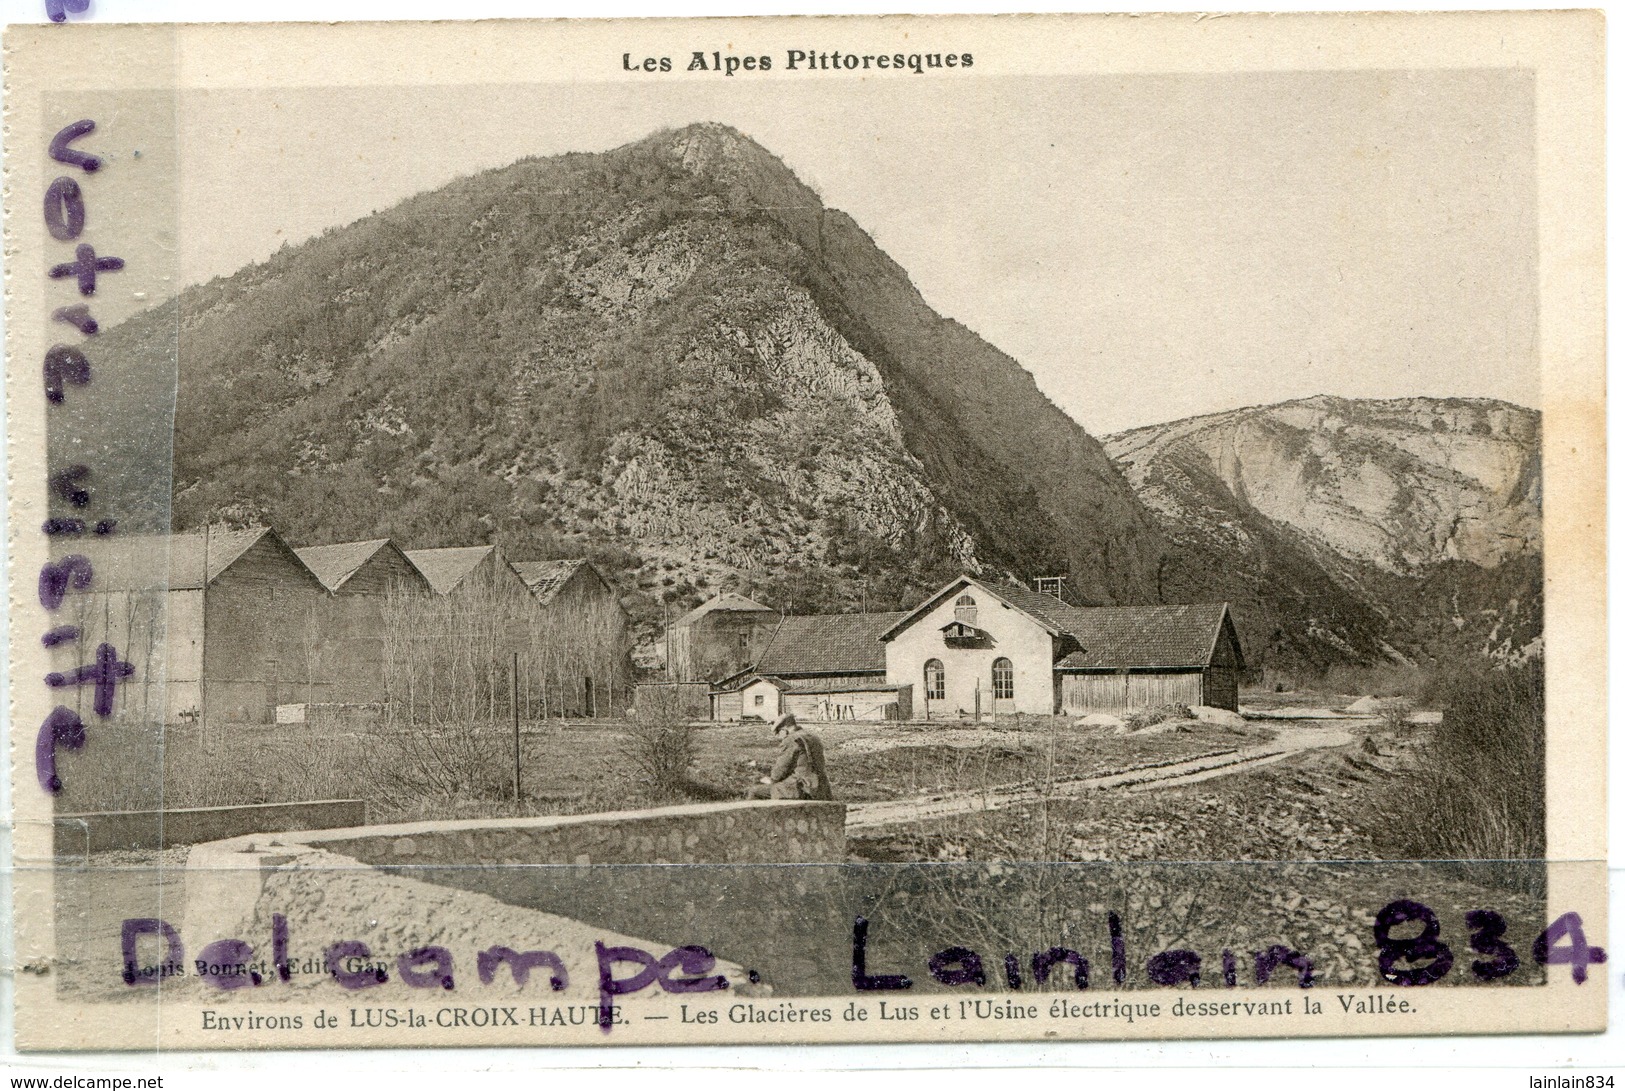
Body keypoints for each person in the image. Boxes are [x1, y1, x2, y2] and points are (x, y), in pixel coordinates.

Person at [746, 712, 833, 801]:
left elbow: (778, 773)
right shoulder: (813, 737)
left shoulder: (791, 740)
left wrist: (769, 779)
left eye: (778, 732)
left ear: (784, 729)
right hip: (823, 787)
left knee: (755, 791)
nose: (779, 737)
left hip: (803, 787)